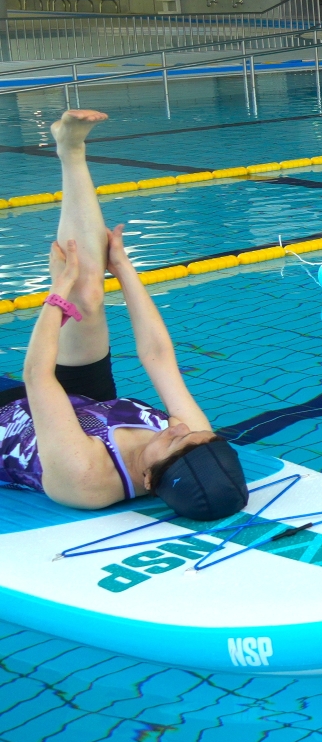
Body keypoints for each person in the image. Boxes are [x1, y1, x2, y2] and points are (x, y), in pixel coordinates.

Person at [0, 110, 248, 519]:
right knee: (89, 292)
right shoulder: (195, 441)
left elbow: (37, 375)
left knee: (72, 288)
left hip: (15, 417)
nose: (179, 426)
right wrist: (123, 267)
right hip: (84, 404)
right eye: (195, 434)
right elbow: (157, 356)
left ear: (149, 480)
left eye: (174, 438)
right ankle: (72, 150)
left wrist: (57, 293)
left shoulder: (87, 478)